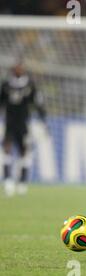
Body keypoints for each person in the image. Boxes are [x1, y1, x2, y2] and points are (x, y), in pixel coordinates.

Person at [1, 60, 46, 196]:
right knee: (6, 149)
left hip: (24, 124)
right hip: (9, 123)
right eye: (17, 67)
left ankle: (22, 182)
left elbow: (37, 103)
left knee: (24, 152)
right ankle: (8, 180)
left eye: (21, 68)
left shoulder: (30, 85)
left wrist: (42, 120)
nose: (19, 70)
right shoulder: (6, 85)